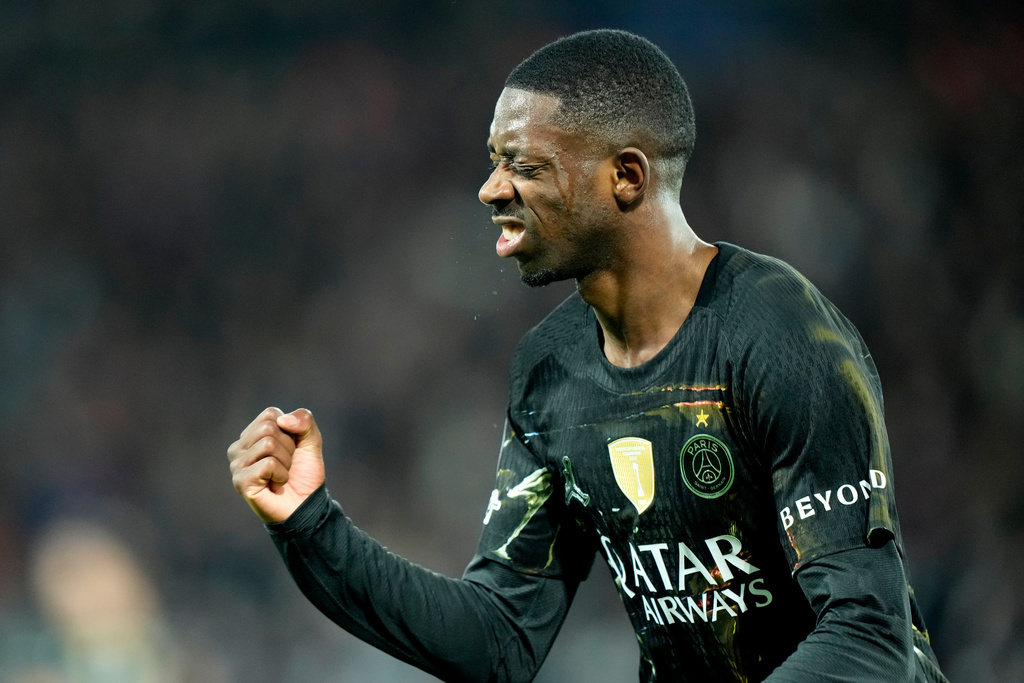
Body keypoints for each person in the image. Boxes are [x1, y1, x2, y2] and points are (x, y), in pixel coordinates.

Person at [227, 29, 948, 683]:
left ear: (626, 177)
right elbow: (498, 635)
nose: (490, 189)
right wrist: (311, 525)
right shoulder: (550, 373)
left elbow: (866, 636)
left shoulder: (779, 335)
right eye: (491, 162)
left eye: (523, 166)